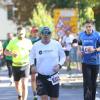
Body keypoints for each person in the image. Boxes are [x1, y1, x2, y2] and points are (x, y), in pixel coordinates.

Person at [30, 27, 66, 100]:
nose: (46, 36)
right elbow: (31, 57)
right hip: (41, 77)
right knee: (44, 98)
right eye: (44, 34)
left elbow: (63, 56)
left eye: (48, 34)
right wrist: (32, 65)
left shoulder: (56, 44)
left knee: (54, 98)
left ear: (51, 35)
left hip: (54, 76)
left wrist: (59, 65)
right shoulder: (36, 45)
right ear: (41, 35)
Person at [4, 27, 32, 100]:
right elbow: (5, 52)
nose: (20, 35)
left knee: (24, 84)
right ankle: (19, 94)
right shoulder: (13, 41)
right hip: (16, 65)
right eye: (19, 34)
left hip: (25, 65)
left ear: (25, 33)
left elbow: (32, 52)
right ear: (17, 33)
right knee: (17, 85)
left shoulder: (28, 42)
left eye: (22, 34)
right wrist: (11, 54)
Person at [78, 20, 100, 100]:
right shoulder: (81, 35)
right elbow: (79, 45)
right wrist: (79, 51)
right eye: (87, 27)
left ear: (92, 26)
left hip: (95, 62)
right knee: (87, 83)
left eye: (89, 26)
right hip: (85, 62)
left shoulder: (97, 35)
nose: (88, 28)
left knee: (93, 83)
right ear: (85, 27)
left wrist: (94, 49)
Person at [30, 27, 40, 100]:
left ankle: (41, 90)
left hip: (40, 60)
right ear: (31, 33)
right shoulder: (29, 41)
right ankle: (35, 94)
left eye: (36, 31)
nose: (35, 33)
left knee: (40, 77)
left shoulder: (41, 40)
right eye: (34, 32)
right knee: (33, 77)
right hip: (32, 60)